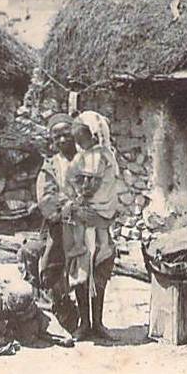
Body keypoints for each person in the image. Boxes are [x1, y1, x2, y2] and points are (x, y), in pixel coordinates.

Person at [65, 110, 121, 341]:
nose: (76, 137)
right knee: (82, 273)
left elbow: (90, 187)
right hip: (88, 222)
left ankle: (96, 323)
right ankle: (85, 323)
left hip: (97, 221)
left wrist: (78, 200)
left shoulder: (98, 155)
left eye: (79, 133)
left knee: (98, 273)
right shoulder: (87, 155)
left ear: (90, 133)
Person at [35, 113, 79, 332]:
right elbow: (46, 197)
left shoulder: (88, 160)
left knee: (88, 271)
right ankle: (63, 311)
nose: (62, 140)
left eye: (66, 134)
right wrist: (69, 205)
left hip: (86, 226)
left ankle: (92, 322)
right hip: (60, 226)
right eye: (57, 137)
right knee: (52, 267)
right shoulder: (51, 166)